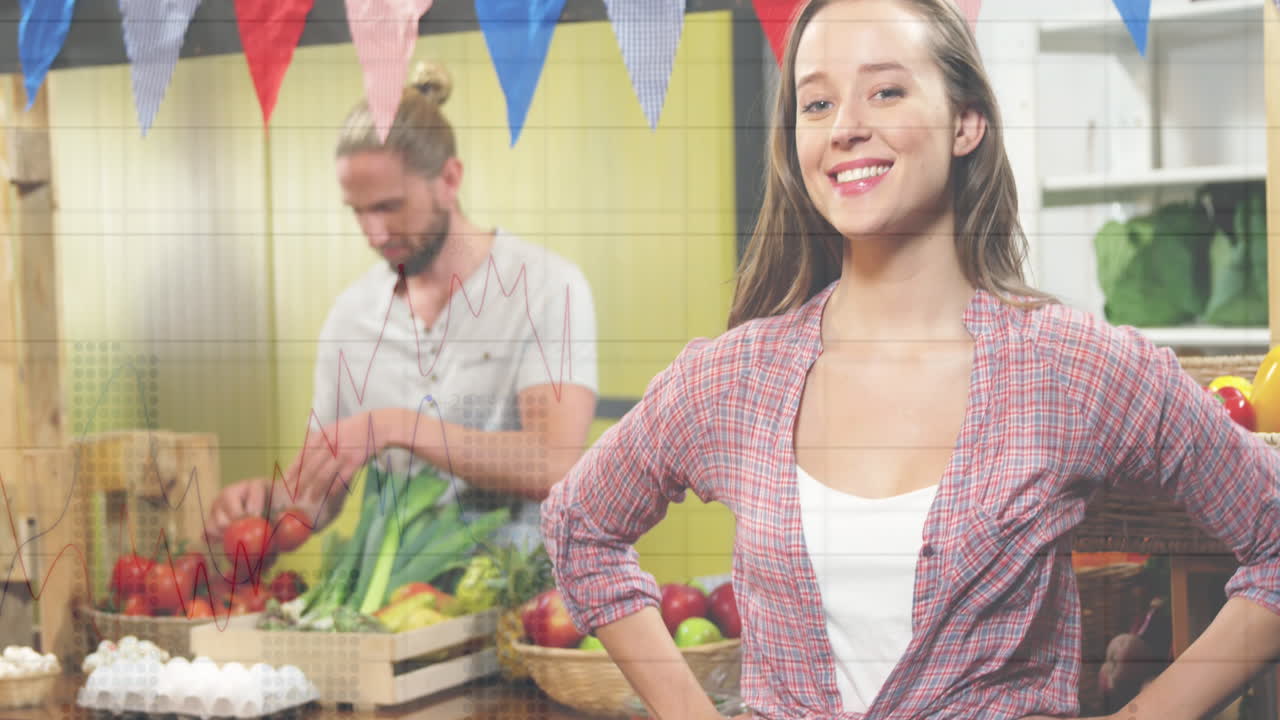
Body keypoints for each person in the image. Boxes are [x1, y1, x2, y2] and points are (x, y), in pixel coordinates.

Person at [539, 1, 1280, 719]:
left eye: (886, 91)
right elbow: (580, 527)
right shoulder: (735, 379)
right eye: (817, 104)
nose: (847, 128)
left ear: (966, 122)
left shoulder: (1070, 367)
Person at [208, 62, 599, 556]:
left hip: (525, 607)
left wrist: (396, 427)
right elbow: (319, 495)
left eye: (389, 207)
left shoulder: (545, 288)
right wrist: (264, 506)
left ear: (449, 180)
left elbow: (554, 463)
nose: (373, 234)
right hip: (399, 613)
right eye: (358, 211)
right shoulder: (350, 318)